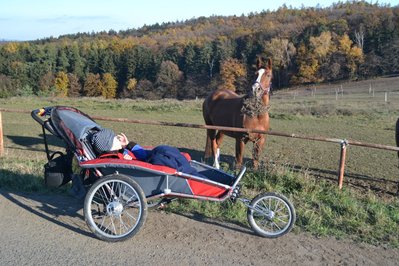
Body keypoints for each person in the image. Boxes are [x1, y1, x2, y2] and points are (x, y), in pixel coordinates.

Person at [90, 128, 202, 176]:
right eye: (114, 138)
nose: (117, 138)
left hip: (151, 157)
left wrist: (128, 145)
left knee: (165, 150)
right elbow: (140, 162)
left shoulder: (121, 151)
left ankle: (190, 170)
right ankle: (192, 173)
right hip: (151, 164)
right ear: (109, 145)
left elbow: (142, 155)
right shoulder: (115, 158)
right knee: (163, 154)